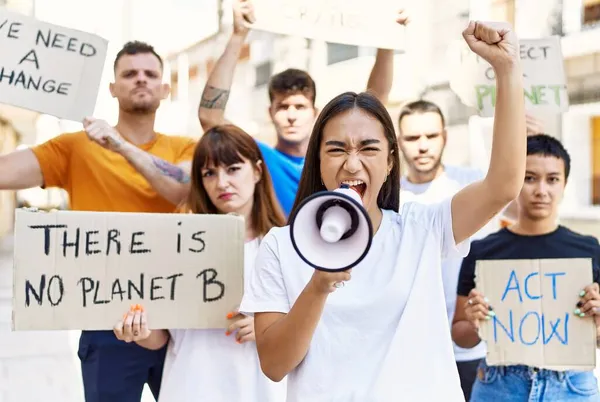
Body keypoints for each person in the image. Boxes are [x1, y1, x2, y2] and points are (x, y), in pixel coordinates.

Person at [239, 21, 527, 401]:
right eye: (337, 149)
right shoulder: (280, 246)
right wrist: (319, 285)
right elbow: (274, 365)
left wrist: (506, 70)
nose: (353, 164)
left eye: (369, 149)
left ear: (391, 161)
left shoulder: (422, 228)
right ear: (318, 160)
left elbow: (504, 184)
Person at [0, 41, 197, 401]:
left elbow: (179, 189)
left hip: (177, 316)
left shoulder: (187, 148)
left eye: (151, 74)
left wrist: (120, 145)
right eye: (130, 74)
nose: (141, 79)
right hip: (107, 318)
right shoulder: (76, 147)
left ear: (165, 89)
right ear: (112, 88)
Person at [112, 124, 287, 402]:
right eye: (209, 173)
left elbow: (313, 325)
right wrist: (138, 331)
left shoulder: (286, 245)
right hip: (190, 386)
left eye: (232, 169)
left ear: (256, 171)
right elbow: (160, 337)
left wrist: (270, 329)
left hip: (261, 390)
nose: (221, 182)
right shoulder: (176, 245)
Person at [198, 0, 408, 216]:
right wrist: (238, 36)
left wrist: (387, 40)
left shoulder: (335, 158)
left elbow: (375, 101)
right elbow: (210, 116)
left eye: (300, 107)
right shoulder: (261, 157)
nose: (291, 116)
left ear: (314, 112)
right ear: (270, 113)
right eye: (283, 107)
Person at [397, 100, 547, 400]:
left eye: (431, 136)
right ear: (398, 142)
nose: (422, 146)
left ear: (445, 137)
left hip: (474, 344)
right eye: (412, 138)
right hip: (410, 348)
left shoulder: (475, 184)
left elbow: (528, 210)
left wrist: (532, 148)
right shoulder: (388, 198)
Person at [452, 134, 600, 401]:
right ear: (516, 182)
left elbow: (596, 338)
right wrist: (476, 323)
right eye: (529, 178)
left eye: (552, 179)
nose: (541, 190)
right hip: (500, 384)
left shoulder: (589, 250)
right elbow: (461, 334)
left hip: (571, 386)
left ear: (565, 184)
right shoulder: (483, 252)